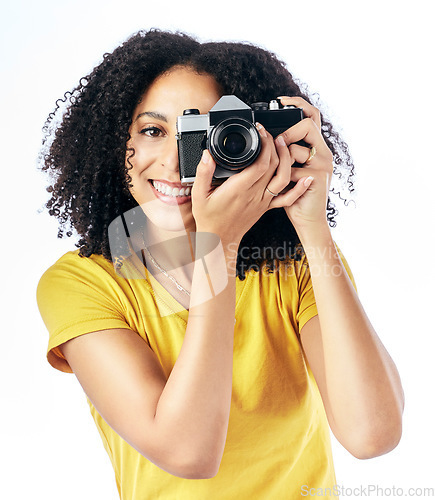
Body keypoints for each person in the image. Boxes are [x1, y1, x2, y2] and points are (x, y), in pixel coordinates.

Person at [37, 29, 404, 499]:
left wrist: (313, 226)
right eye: (153, 130)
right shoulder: (82, 284)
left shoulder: (295, 265)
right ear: (115, 143)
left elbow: (372, 435)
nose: (174, 163)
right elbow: (189, 453)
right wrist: (220, 246)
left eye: (204, 136)